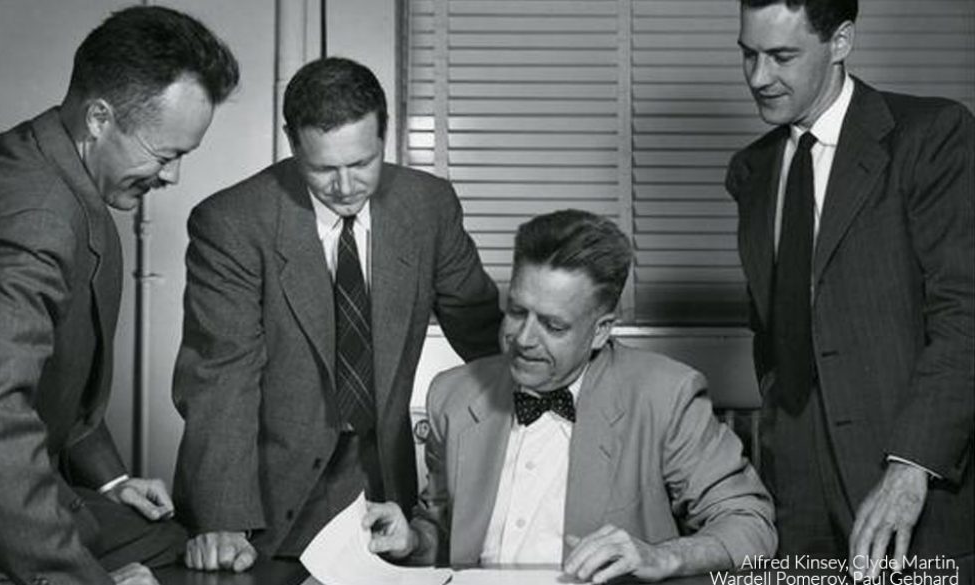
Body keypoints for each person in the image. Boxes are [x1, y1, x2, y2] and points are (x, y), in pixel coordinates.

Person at [172, 56, 502, 572]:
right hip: (265, 505)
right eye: (324, 169)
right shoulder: (232, 223)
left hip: (385, 501)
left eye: (363, 163)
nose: (346, 186)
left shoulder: (428, 206)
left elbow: (486, 335)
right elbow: (221, 376)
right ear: (291, 141)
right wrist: (222, 517)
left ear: (385, 137)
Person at [0, 6, 240, 585]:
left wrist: (112, 482)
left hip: (19, 473)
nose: (174, 177)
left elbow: (60, 381)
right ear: (100, 118)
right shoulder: (37, 215)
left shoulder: (41, 157)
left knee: (175, 542)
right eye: (167, 154)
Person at [364, 210, 776, 582]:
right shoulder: (453, 395)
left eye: (553, 326)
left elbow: (750, 523)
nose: (523, 339)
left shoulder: (666, 396)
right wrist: (412, 541)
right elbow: (442, 532)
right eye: (517, 311)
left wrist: (664, 556)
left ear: (600, 330)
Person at [727, 0, 974, 577]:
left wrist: (912, 466)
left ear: (839, 42)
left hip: (914, 489)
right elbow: (771, 327)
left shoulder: (932, 137)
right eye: (748, 54)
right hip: (795, 500)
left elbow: (966, 316)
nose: (759, 77)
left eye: (781, 56)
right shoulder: (751, 171)